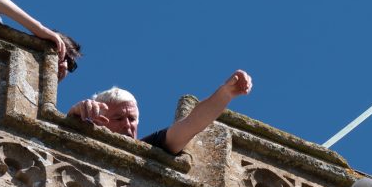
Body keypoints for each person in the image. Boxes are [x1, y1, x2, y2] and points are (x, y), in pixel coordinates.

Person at [67, 70, 252, 154]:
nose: (127, 124)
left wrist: (225, 93)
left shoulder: (149, 147)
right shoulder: (81, 138)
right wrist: (75, 115)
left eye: (132, 118)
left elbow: (191, 125)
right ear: (100, 120)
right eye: (118, 117)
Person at [0, 0, 82, 81]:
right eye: (63, 55)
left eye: (71, 65)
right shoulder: (6, 51)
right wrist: (40, 29)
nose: (65, 65)